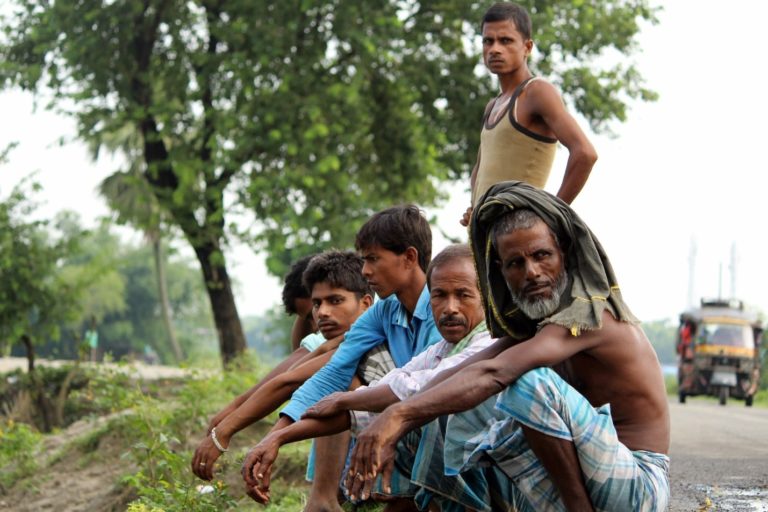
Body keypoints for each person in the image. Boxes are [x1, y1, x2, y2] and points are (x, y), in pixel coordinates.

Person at [348, 181, 671, 511]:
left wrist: (399, 415)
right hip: (589, 476)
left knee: (526, 384)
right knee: (441, 412)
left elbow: (495, 372)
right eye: (516, 263)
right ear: (500, 271)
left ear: (563, 255)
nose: (531, 272)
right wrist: (394, 422)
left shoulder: (591, 315)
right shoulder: (535, 328)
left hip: (638, 486)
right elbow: (467, 370)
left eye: (542, 256)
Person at [242, 244, 495, 511]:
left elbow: (418, 389)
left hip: (508, 482)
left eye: (463, 295)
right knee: (391, 416)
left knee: (421, 420)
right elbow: (385, 390)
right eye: (439, 296)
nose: (450, 308)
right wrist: (278, 438)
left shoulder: (488, 342)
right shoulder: (436, 347)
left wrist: (348, 403)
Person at [191, 250, 373, 481]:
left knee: (337, 389)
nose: (321, 316)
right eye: (316, 306)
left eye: (335, 300)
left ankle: (324, 495)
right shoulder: (330, 341)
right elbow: (291, 377)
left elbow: (289, 381)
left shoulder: (370, 329)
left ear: (366, 302)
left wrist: (226, 431)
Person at [460, 2, 597, 226]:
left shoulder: (537, 92)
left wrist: (550, 215)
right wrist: (475, 208)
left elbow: (585, 153)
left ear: (528, 47)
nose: (495, 48)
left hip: (519, 235)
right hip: (485, 235)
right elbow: (480, 169)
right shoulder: (492, 105)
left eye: (505, 41)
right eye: (488, 41)